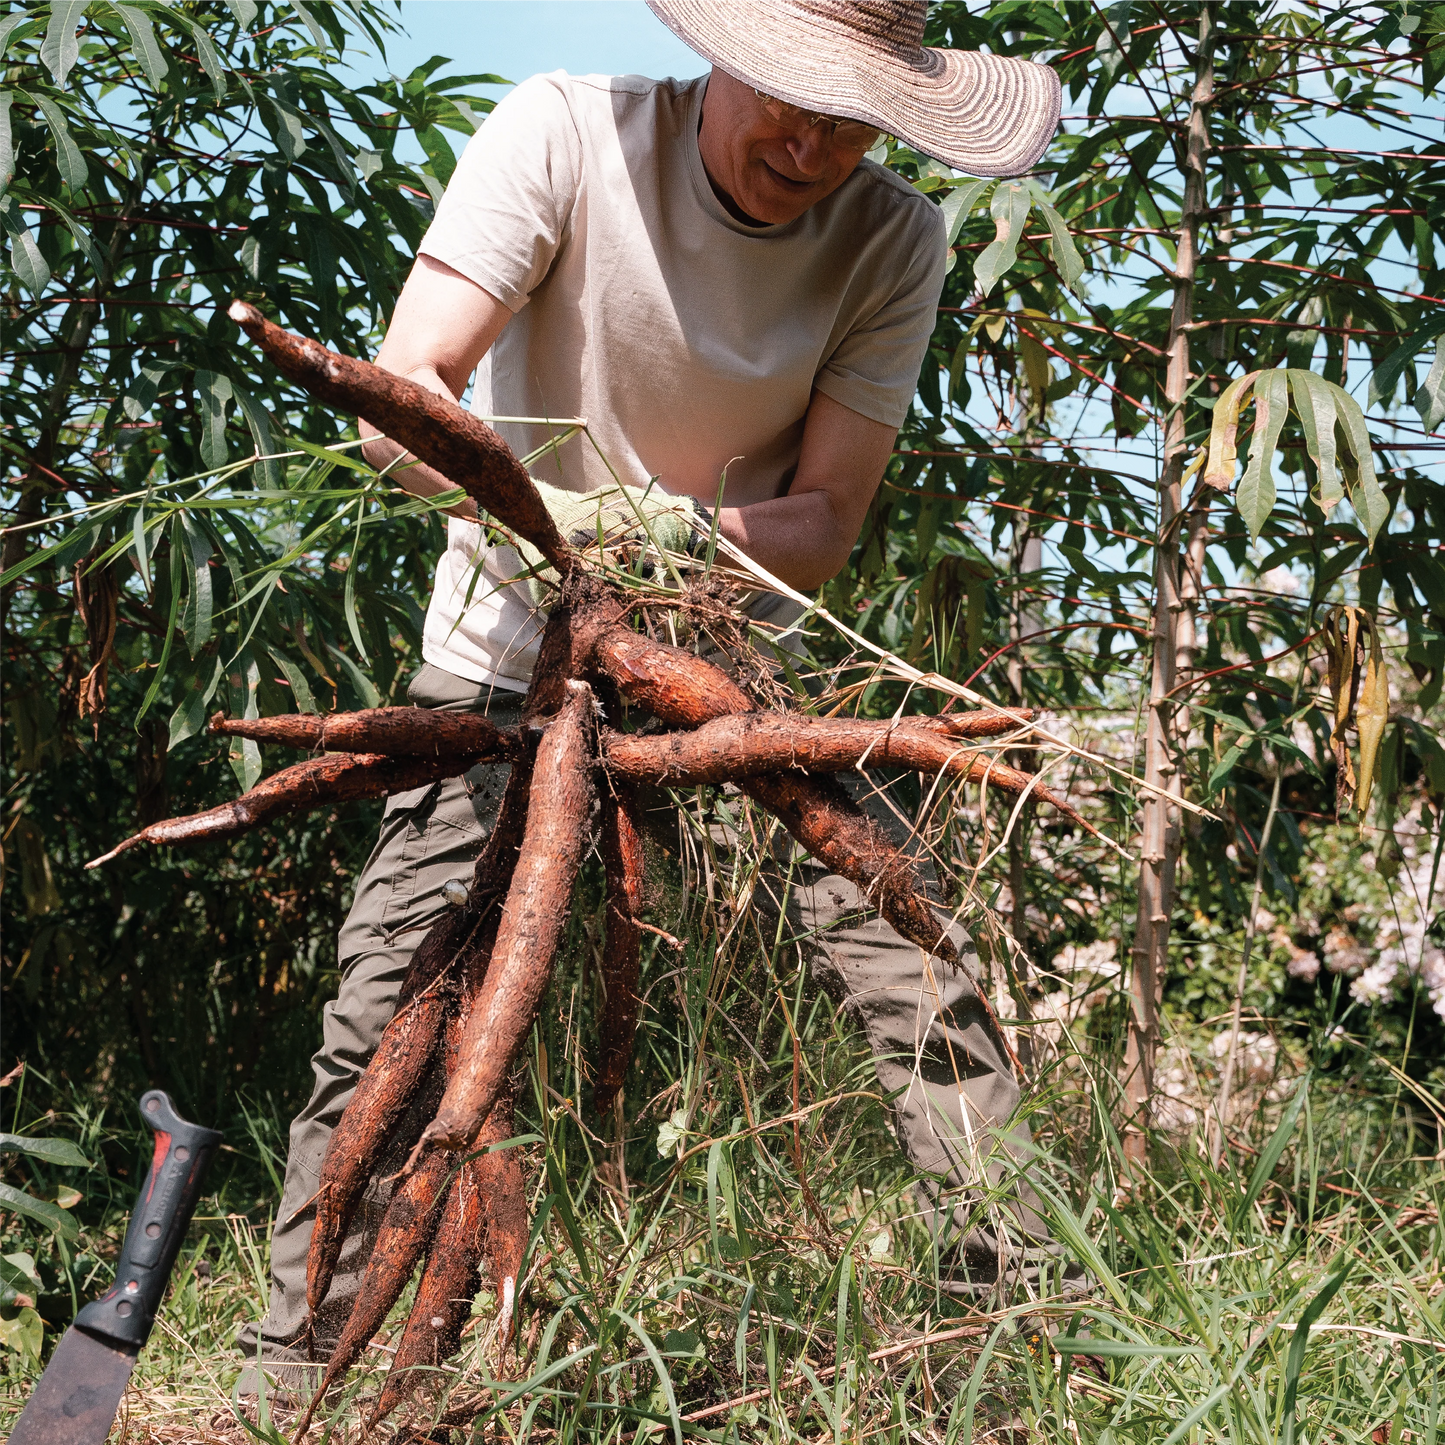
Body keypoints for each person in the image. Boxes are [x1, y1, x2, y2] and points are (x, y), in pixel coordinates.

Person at [238, 0, 1068, 1392]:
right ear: (723, 55)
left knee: (913, 962)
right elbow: (407, 388)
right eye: (785, 97)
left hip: (723, 664)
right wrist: (569, 536)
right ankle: (294, 1379)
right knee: (394, 1005)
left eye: (850, 118)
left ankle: (1025, 1338)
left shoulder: (893, 240)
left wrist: (667, 547)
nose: (806, 144)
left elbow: (822, 522)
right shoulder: (566, 133)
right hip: (504, 647)